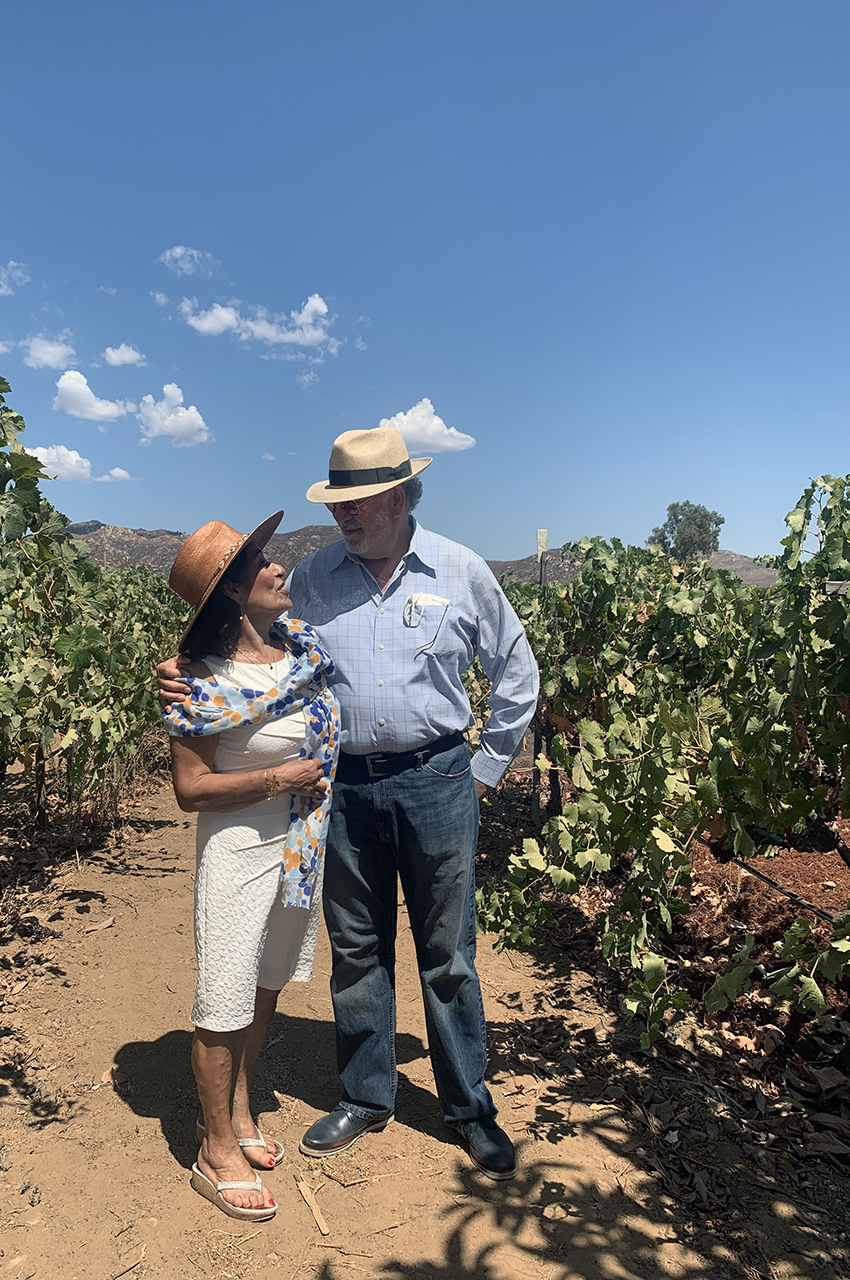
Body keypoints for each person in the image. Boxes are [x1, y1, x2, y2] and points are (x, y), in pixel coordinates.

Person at [161, 427, 538, 1182]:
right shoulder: (312, 576)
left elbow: (517, 672)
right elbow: (249, 640)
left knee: (448, 953)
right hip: (342, 788)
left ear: (398, 498)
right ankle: (367, 1094)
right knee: (357, 947)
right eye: (336, 504)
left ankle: (469, 1108)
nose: (342, 516)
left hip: (438, 779)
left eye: (356, 503)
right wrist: (185, 667)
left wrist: (483, 771)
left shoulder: (461, 570)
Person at [163, 510, 339, 1223]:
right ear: (232, 592)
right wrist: (278, 778)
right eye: (260, 562)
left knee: (265, 986)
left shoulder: (302, 651)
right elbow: (190, 791)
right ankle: (214, 1151)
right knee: (223, 999)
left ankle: (238, 1110)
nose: (277, 566)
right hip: (238, 851)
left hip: (297, 849)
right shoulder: (199, 682)